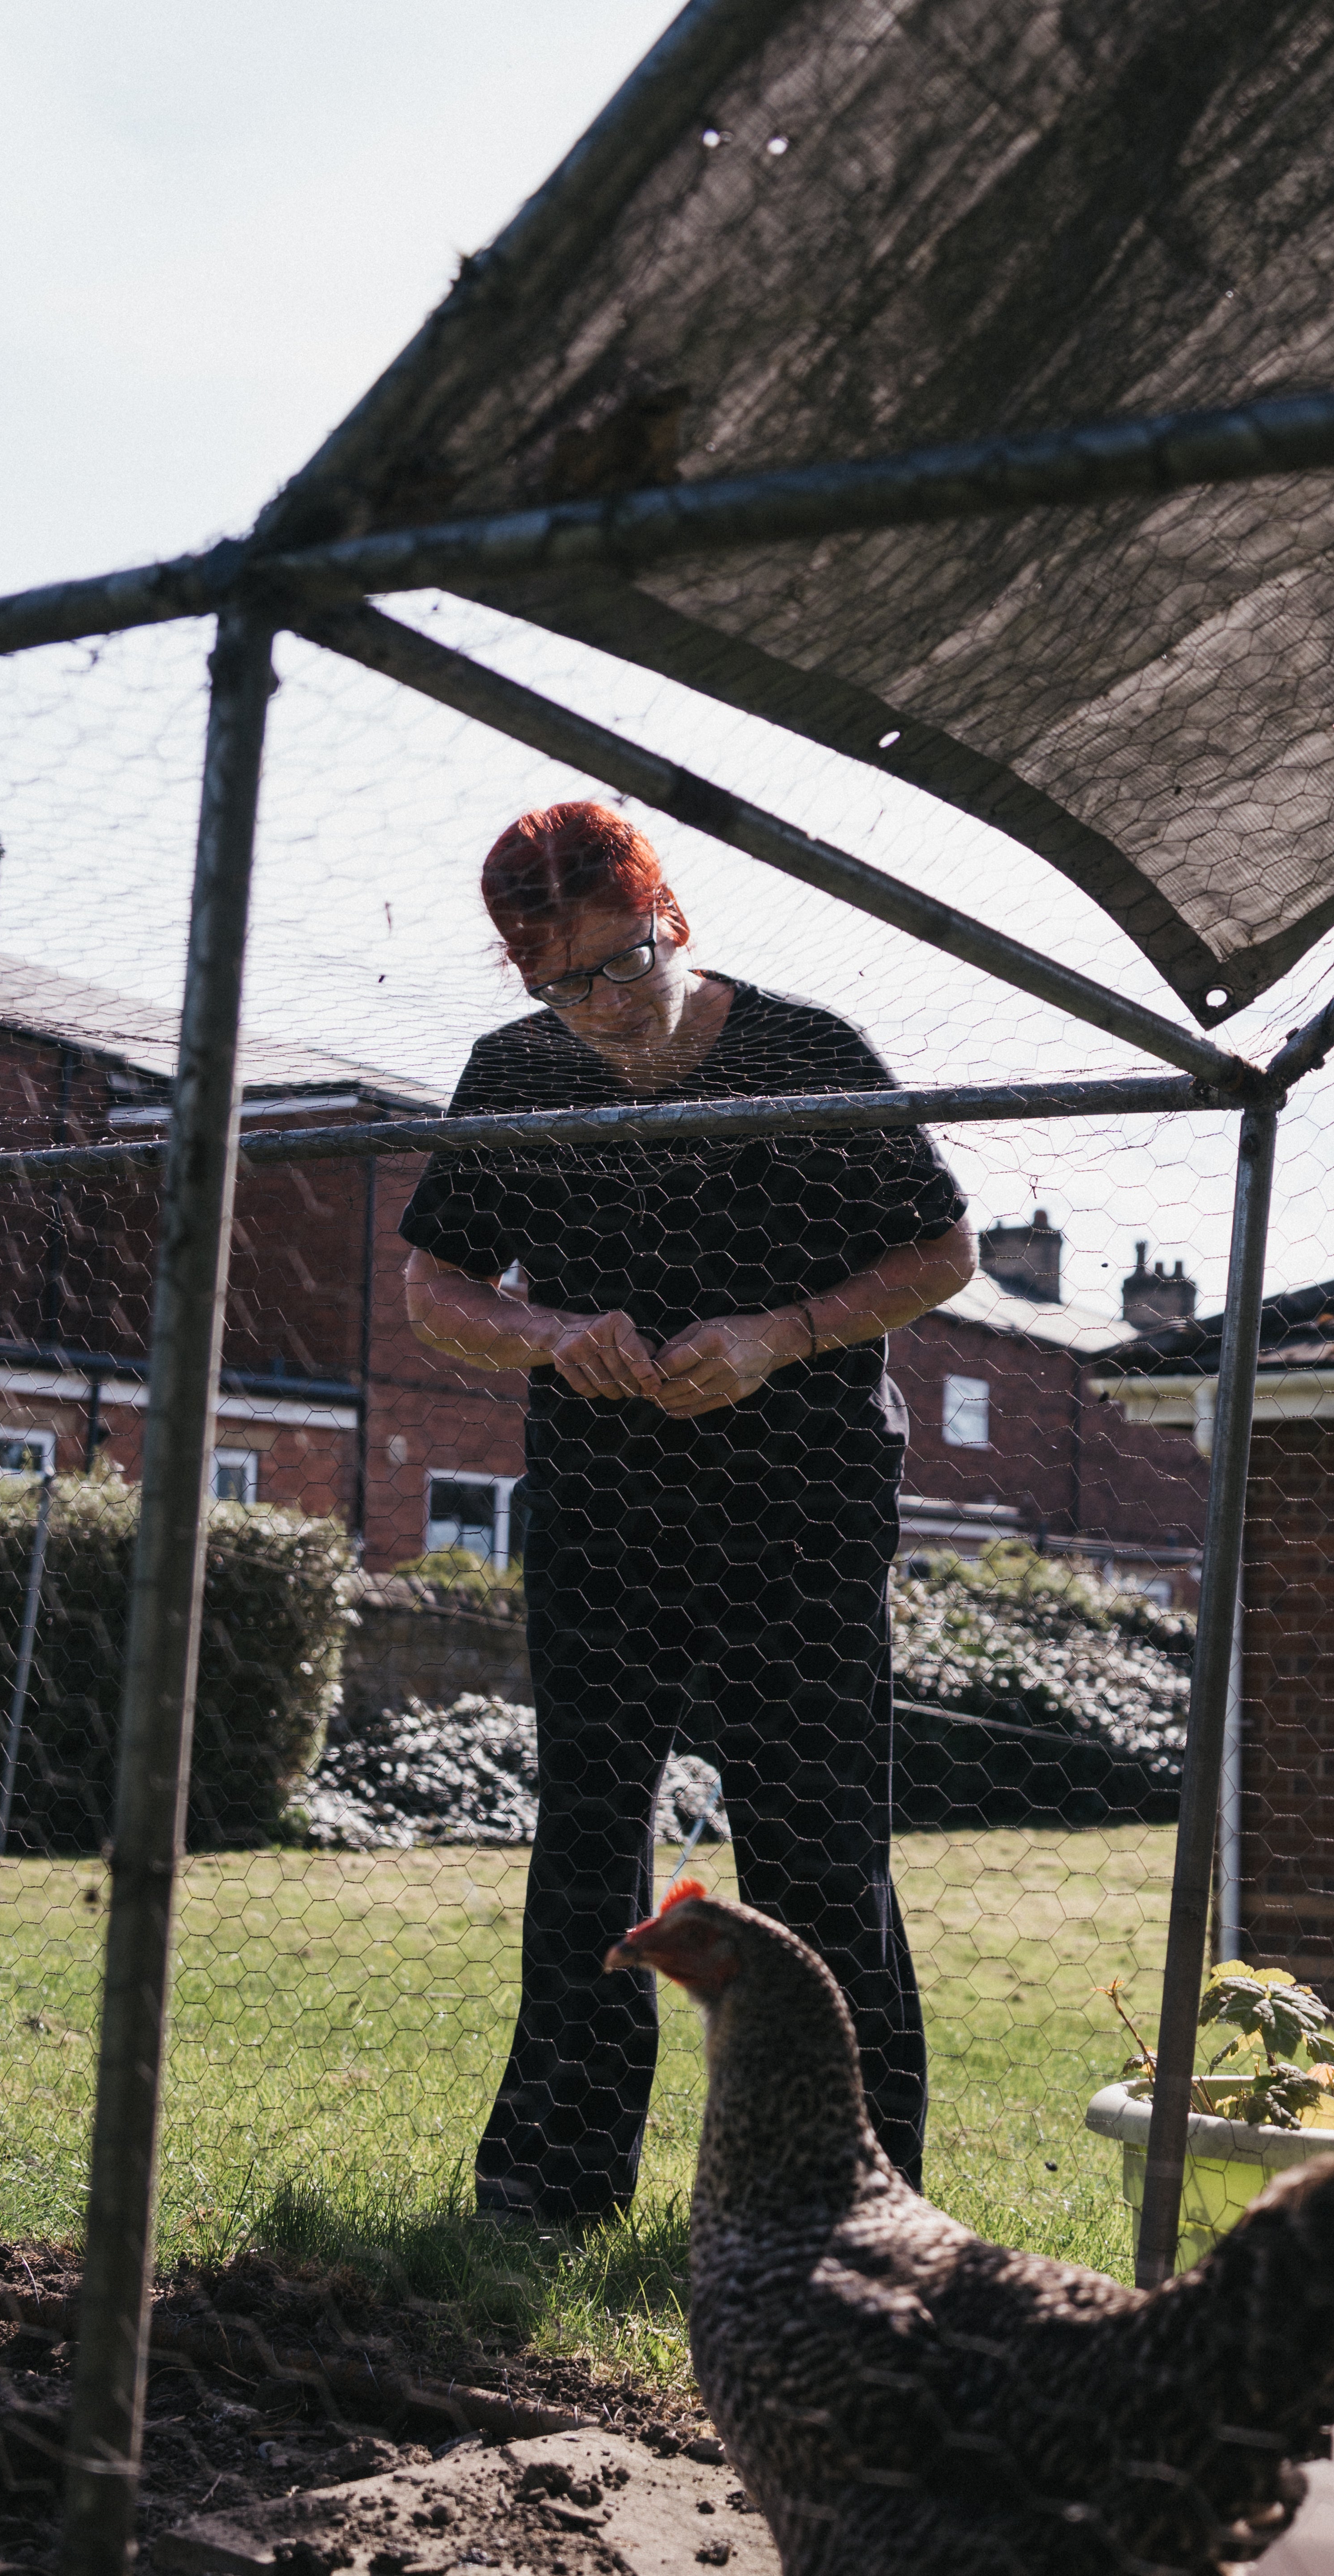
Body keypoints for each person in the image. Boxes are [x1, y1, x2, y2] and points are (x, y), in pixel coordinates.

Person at [398, 801, 976, 2227]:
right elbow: (435, 1292)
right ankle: (554, 2180)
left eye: (618, 966)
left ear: (674, 919)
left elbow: (944, 1249)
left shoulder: (806, 1055)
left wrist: (783, 1332)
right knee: (591, 1839)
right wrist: (546, 1336)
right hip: (605, 1501)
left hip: (802, 1500)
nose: (597, 1008)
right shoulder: (517, 1076)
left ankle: (844, 2190)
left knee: (820, 1850)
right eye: (559, 985)